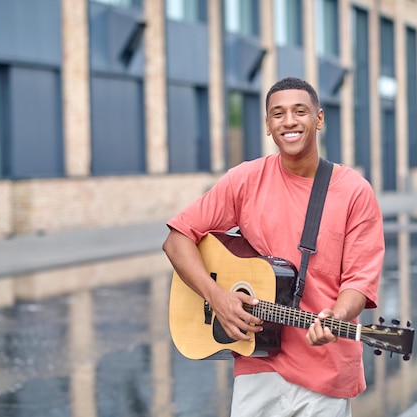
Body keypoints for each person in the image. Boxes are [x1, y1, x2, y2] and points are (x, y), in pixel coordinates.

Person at [162, 77, 385, 417]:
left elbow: (359, 281)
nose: (289, 121)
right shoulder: (246, 179)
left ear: (319, 119)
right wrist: (217, 297)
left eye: (300, 111)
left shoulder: (354, 191)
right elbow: (177, 239)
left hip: (325, 373)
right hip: (258, 364)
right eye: (278, 114)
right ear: (268, 125)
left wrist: (336, 317)